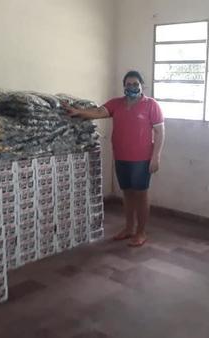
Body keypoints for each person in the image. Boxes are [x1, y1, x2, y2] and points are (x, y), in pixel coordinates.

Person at [64, 70, 165, 247]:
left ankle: (141, 232)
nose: (132, 87)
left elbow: (160, 132)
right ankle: (128, 228)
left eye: (135, 84)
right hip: (121, 157)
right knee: (126, 193)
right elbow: (98, 112)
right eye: (128, 84)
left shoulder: (151, 105)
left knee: (141, 194)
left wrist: (156, 156)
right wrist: (77, 111)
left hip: (142, 159)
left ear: (142, 86)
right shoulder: (116, 104)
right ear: (124, 86)